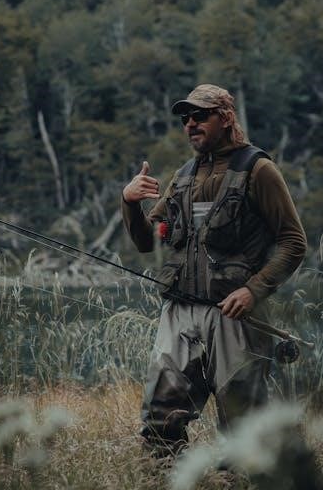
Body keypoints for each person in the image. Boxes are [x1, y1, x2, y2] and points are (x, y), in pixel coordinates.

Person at [121, 83, 307, 457]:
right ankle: (162, 483)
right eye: (185, 118)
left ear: (225, 118)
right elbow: (147, 242)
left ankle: (240, 488)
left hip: (234, 314)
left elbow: (293, 241)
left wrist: (253, 290)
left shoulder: (258, 169)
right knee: (161, 414)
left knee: (242, 419)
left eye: (200, 115)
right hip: (180, 311)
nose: (190, 123)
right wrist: (129, 202)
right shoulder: (184, 176)